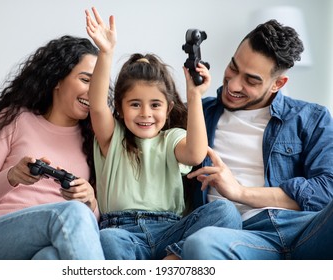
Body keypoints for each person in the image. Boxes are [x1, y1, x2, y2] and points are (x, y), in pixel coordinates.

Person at [84, 7, 242, 260]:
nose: (145, 113)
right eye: (135, 104)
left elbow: (195, 153)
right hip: (122, 231)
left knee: (225, 212)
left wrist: (194, 94)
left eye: (155, 105)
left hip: (170, 230)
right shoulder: (112, 138)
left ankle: (172, 260)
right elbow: (97, 105)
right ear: (121, 108)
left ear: (168, 109)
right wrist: (106, 52)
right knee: (107, 239)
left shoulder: (172, 138)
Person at [182, 19, 333, 259]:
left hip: (304, 228)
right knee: (201, 243)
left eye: (251, 80)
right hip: (240, 235)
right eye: (233, 67)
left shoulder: (312, 118)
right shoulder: (198, 114)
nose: (233, 84)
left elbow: (327, 190)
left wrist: (240, 192)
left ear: (277, 84)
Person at [0, 35, 105, 260]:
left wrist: (91, 202)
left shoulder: (94, 139)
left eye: (99, 83)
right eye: (86, 80)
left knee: (50, 258)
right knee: (73, 214)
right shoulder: (16, 119)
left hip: (51, 243)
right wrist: (12, 176)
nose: (94, 91)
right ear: (57, 78)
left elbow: (86, 231)